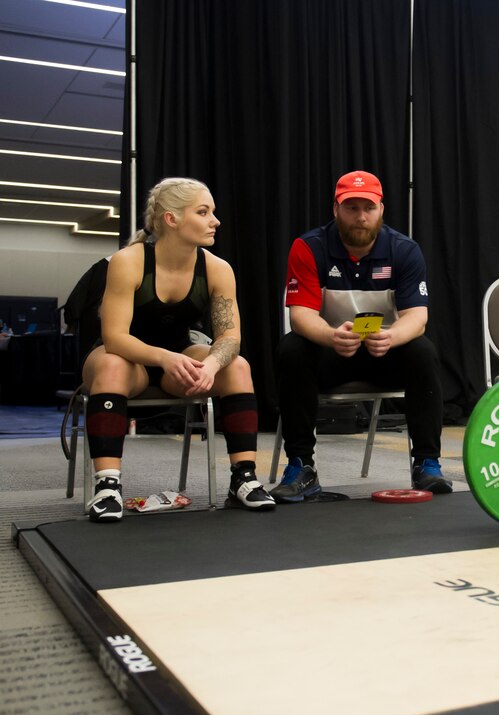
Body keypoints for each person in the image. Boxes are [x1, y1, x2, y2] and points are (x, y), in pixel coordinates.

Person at [82, 178, 275, 522]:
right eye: (203, 212)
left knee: (238, 367)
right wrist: (164, 357)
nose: (215, 220)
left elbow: (230, 337)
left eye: (213, 212)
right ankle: (107, 486)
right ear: (171, 219)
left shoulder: (217, 268)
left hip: (178, 360)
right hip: (127, 360)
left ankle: (243, 477)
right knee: (112, 364)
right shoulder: (128, 261)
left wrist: (213, 365)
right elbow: (114, 337)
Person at [271, 170, 451, 501]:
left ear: (381, 209)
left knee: (422, 351)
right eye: (351, 208)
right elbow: (301, 316)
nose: (361, 217)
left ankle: (427, 463)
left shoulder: (404, 250)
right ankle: (301, 467)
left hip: (382, 353)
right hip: (330, 352)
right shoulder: (308, 247)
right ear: (336, 210)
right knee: (292, 349)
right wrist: (330, 336)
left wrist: (392, 336)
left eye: (368, 208)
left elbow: (417, 317)